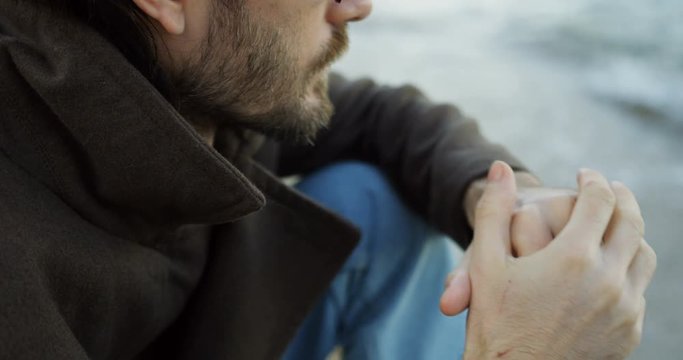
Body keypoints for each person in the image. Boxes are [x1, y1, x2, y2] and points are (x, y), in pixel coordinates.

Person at [0, 0, 655, 359]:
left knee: (367, 200)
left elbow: (374, 115)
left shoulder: (167, 69)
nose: (357, 6)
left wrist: (503, 199)